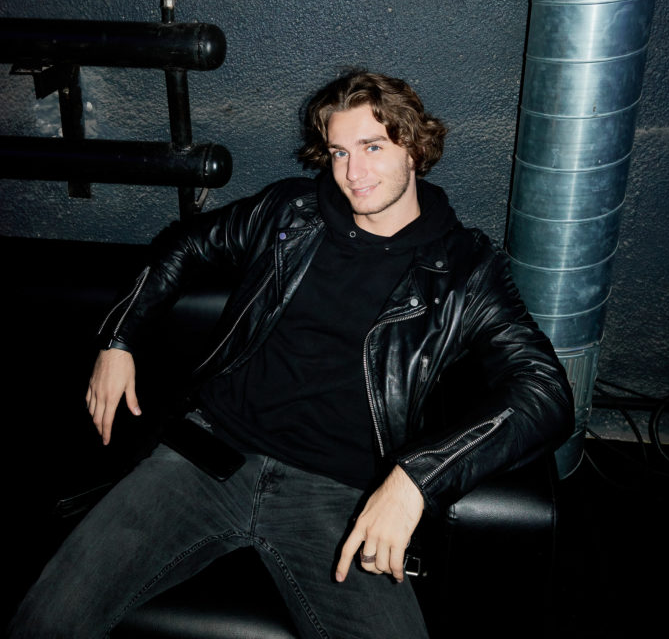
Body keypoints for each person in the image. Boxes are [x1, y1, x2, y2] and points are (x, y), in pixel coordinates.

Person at [9, 70, 573, 639]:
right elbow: (184, 245)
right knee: (47, 620)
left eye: (372, 147)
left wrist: (416, 479)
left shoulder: (464, 269)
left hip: (341, 494)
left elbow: (545, 391)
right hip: (208, 455)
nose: (353, 173)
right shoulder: (288, 213)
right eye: (339, 152)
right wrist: (118, 339)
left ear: (413, 148)